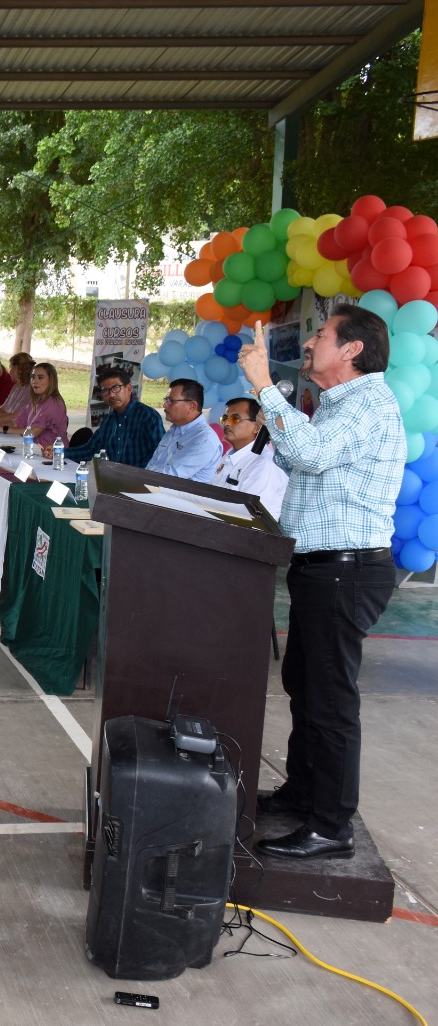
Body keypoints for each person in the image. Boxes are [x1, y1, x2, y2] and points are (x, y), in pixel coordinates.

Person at [238, 306, 404, 861]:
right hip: (321, 565)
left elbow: (307, 452)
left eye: (322, 336)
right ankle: (306, 792)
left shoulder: (370, 404)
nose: (310, 344)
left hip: (347, 568)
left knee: (330, 702)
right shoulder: (337, 406)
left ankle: (332, 826)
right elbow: (297, 454)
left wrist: (263, 386)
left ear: (352, 350)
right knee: (304, 688)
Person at [59, 366, 163, 469]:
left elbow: (159, 455)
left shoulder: (148, 417)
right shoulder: (108, 420)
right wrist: (58, 451)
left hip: (138, 480)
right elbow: (90, 450)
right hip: (110, 479)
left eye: (116, 388)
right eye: (105, 391)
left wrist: (134, 476)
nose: (111, 395)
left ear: (129, 388)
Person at [212, 397, 288, 520]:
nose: (226, 423)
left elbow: (249, 516)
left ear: (257, 427)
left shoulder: (264, 465)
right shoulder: (229, 457)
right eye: (225, 418)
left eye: (235, 419)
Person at [144, 378, 222, 483]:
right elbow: (153, 465)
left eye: (171, 401)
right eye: (166, 399)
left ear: (192, 406)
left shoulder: (204, 439)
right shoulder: (174, 430)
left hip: (177, 496)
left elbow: (170, 477)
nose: (165, 405)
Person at [8, 362, 69, 448]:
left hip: (53, 453)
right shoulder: (36, 400)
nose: (35, 381)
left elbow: (32, 433)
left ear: (51, 380)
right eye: (33, 377)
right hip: (35, 448)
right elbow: (16, 422)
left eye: (40, 378)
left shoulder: (54, 403)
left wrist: (2, 429)